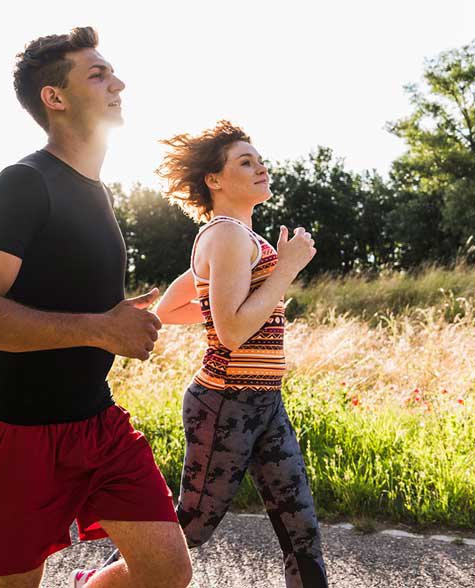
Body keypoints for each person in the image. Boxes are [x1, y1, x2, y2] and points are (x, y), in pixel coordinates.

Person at [0, 26, 192, 588]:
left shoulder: (96, 191)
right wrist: (102, 327)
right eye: (98, 74)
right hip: (20, 432)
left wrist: (114, 316)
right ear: (54, 97)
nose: (118, 83)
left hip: (97, 422)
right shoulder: (24, 182)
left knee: (166, 571)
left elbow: (63, 294)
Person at [88, 120, 328, 587]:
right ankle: (94, 584)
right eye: (245, 161)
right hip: (225, 403)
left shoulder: (240, 237)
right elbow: (234, 331)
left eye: (260, 160)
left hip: (263, 401)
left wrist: (228, 306)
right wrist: (289, 269)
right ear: (214, 180)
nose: (260, 167)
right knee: (191, 528)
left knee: (300, 529)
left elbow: (175, 306)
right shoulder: (225, 235)